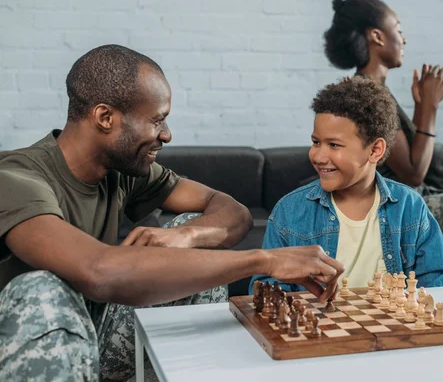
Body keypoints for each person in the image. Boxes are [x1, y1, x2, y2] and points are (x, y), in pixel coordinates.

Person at [0, 45, 344, 381]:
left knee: (195, 236)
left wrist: (186, 235)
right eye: (157, 120)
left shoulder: (122, 170)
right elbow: (97, 271)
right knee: (42, 289)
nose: (166, 134)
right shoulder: (15, 179)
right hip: (25, 354)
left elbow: (233, 213)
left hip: (95, 343)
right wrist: (264, 260)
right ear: (105, 117)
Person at [321, 0, 443, 285]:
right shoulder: (365, 93)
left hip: (410, 198)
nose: (404, 39)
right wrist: (430, 107)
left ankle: (435, 296)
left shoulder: (378, 91)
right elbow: (413, 173)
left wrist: (422, 106)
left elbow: (408, 156)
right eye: (398, 29)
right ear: (377, 36)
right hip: (392, 203)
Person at [250, 76, 443, 292]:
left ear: (374, 150)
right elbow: (265, 288)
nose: (319, 156)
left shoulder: (410, 207)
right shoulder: (290, 211)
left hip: (391, 325)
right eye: (316, 142)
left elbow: (442, 282)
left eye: (334, 144)